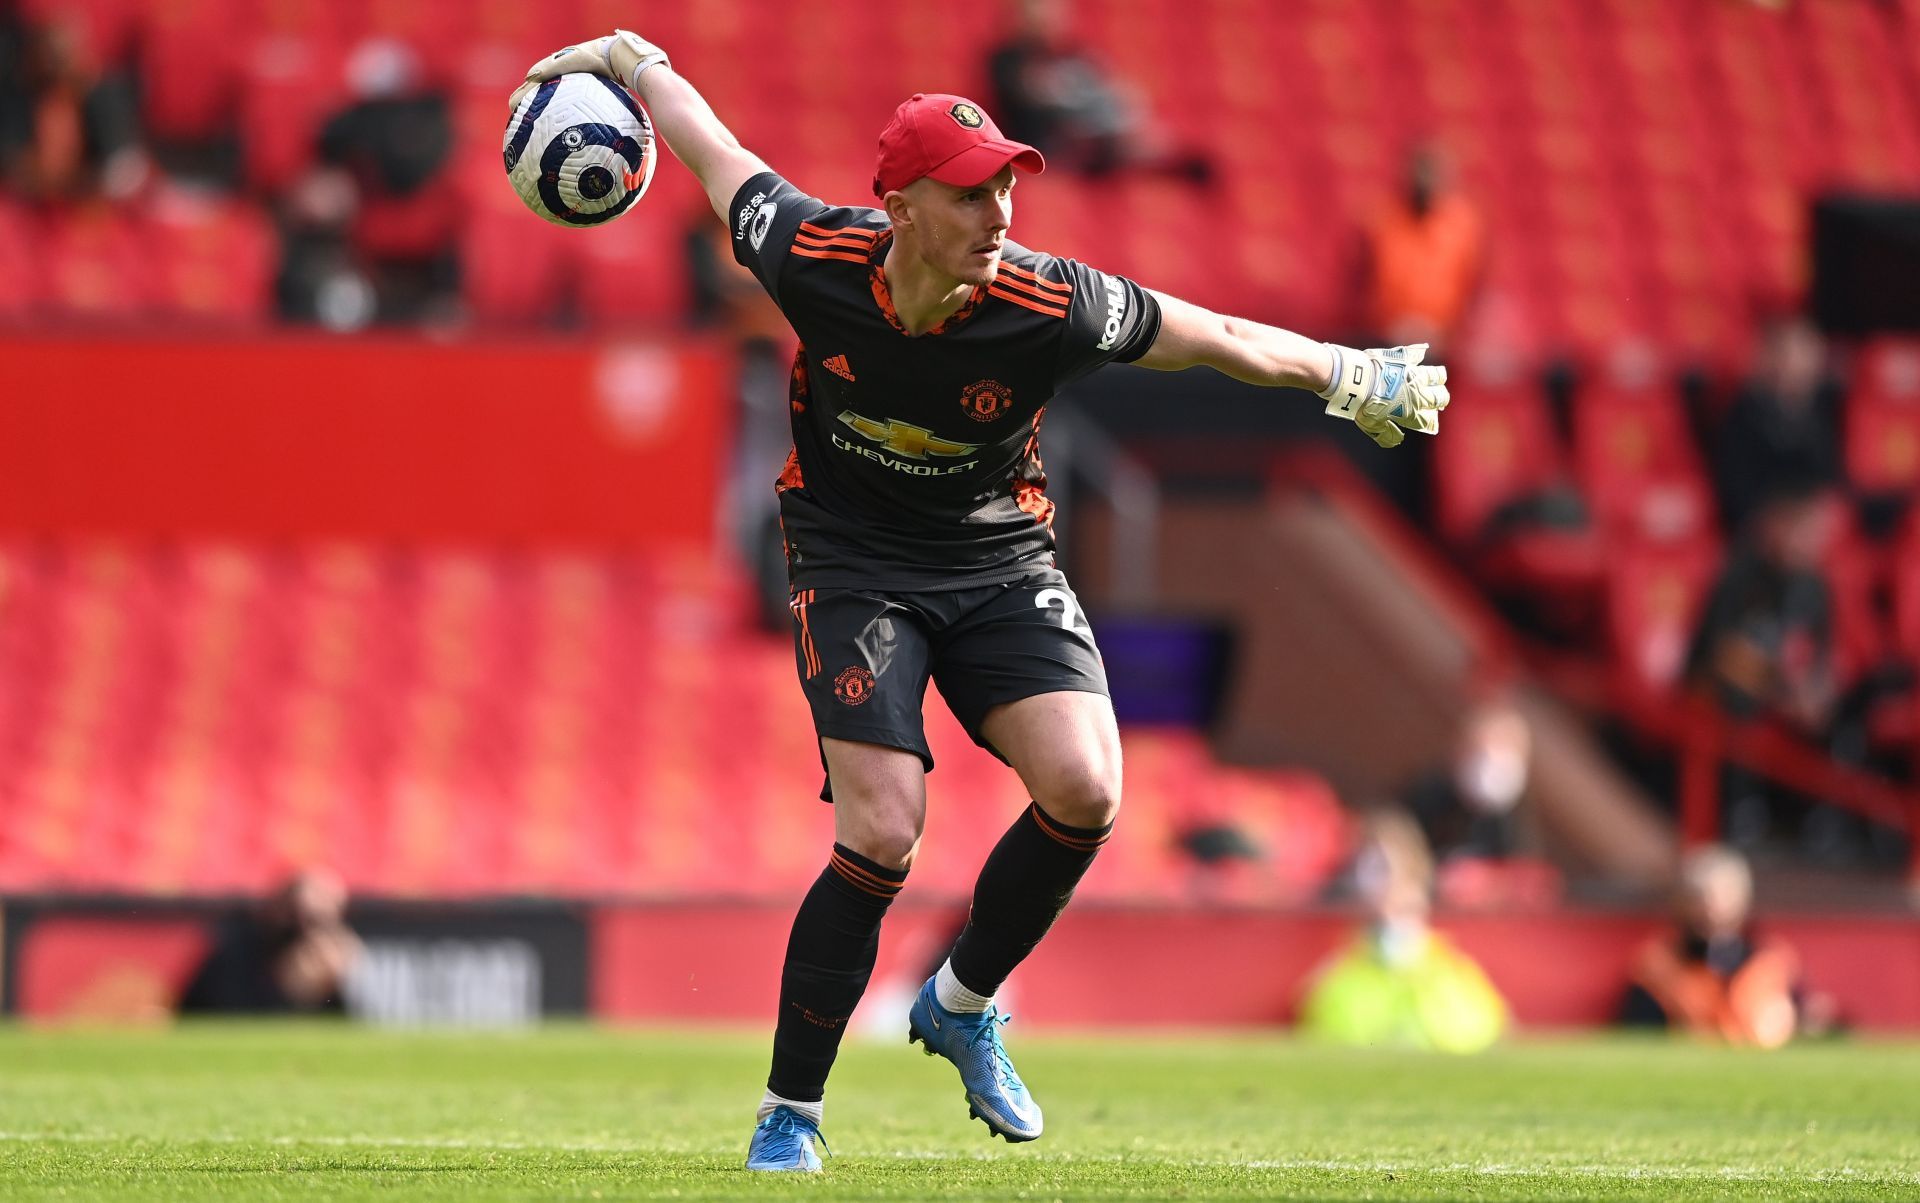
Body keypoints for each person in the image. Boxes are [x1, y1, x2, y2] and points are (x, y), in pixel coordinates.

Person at [508, 31, 1451, 1172]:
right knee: (882, 829)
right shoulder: (807, 251)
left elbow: (1217, 338)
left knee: (1088, 790)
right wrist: (625, 55)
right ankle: (790, 1112)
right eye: (970, 190)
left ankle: (960, 1001)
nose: (1000, 208)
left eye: (1007, 180)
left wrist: (1348, 376)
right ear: (900, 206)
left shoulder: (1048, 303)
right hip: (853, 557)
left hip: (998, 556)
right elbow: (715, 153)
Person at [1298, 810, 1509, 1053]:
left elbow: (1478, 1027)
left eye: (1384, 869)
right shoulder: (1342, 976)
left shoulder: (1450, 974)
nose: (1378, 884)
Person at [1618, 844, 1830, 1047]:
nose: (1710, 910)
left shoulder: (1770, 963)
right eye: (1698, 899)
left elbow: (1810, 1019)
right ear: (1681, 904)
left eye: (1721, 897)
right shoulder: (1660, 966)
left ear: (1741, 901)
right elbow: (1639, 1030)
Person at [984, 0, 1214, 185]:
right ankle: (1140, 151)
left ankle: (1143, 150)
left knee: (1117, 111)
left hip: (1091, 134)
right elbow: (1032, 100)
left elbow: (1103, 92)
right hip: (1047, 147)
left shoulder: (1074, 54)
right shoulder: (1006, 60)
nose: (1047, 20)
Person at [1358, 142, 1485, 356]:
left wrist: (1449, 332)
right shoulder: (1381, 220)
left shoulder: (1463, 225)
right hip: (1386, 341)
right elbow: (1365, 283)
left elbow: (1473, 286)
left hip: (1442, 343)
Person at [177, 869, 363, 1014]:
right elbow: (221, 1011)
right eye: (297, 914)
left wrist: (336, 984)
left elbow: (347, 1025)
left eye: (318, 920)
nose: (304, 929)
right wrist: (285, 989)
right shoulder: (237, 948)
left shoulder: (334, 958)